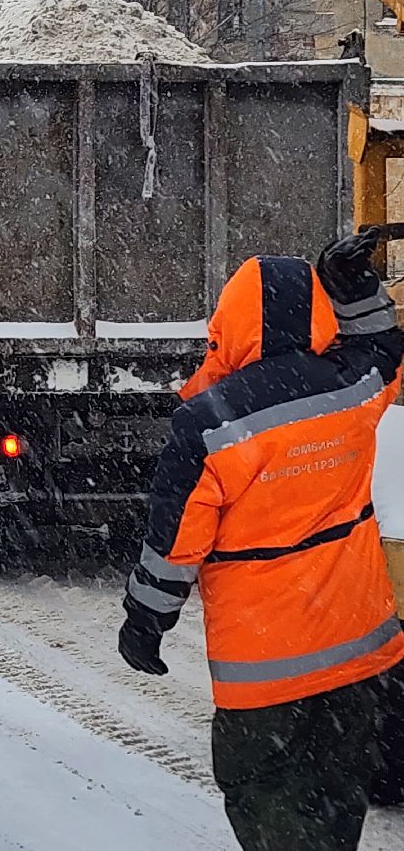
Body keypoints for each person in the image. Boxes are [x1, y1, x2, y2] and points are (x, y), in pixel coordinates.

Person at [119, 228, 403, 850]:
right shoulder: (354, 389)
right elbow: (386, 345)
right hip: (361, 661)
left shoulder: (209, 424)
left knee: (270, 809)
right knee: (337, 802)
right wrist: (354, 288)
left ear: (231, 323)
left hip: (266, 679)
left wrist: (146, 619)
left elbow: (175, 546)